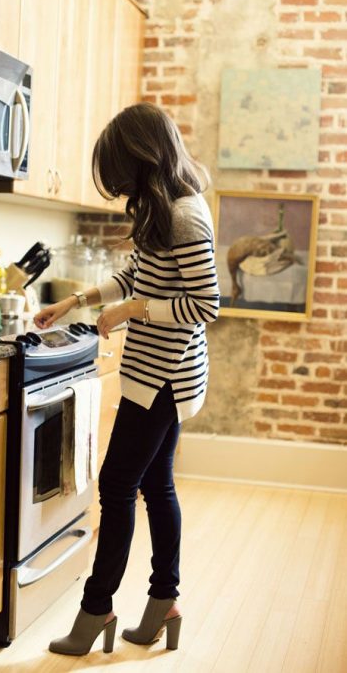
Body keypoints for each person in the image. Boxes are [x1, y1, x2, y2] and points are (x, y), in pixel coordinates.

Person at [33, 102, 220, 656]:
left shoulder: (186, 216)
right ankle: (164, 600)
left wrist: (132, 312)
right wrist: (79, 299)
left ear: (142, 159)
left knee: (117, 489)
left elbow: (205, 305)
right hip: (158, 372)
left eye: (119, 170)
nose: (117, 185)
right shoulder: (168, 209)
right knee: (155, 486)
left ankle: (96, 610)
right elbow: (139, 274)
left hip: (163, 376)